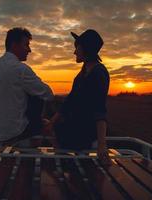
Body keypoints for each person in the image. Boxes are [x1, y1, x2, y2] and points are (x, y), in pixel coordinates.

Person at [46, 29, 112, 166]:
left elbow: (100, 109)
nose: (74, 52)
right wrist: (52, 121)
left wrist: (102, 144)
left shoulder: (99, 73)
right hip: (74, 128)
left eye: (77, 48)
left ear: (86, 49)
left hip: (85, 133)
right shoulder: (82, 74)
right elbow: (70, 102)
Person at [0, 27, 53, 144]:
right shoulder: (21, 69)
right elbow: (48, 94)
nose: (29, 50)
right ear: (14, 45)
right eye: (26, 45)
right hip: (14, 130)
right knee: (37, 96)